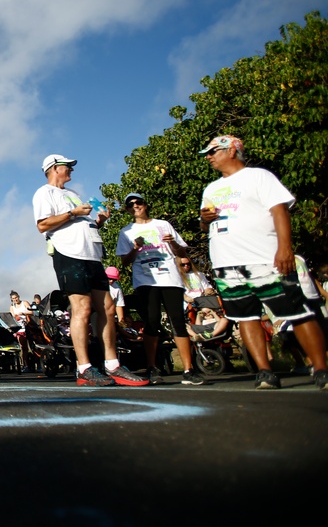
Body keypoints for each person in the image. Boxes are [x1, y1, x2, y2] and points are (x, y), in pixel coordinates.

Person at [198, 135, 327, 390]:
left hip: (264, 258)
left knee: (297, 312)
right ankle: (265, 372)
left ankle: (321, 369)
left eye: (213, 151)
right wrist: (205, 219)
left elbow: (279, 211)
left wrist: (285, 248)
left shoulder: (259, 176)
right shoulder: (210, 189)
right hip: (227, 263)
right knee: (246, 317)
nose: (209, 157)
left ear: (232, 150)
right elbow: (204, 227)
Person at [32, 154, 148, 387]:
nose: (71, 170)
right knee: (82, 309)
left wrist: (99, 221)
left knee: (107, 308)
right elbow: (42, 225)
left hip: (92, 255)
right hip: (69, 254)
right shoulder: (44, 193)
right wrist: (73, 213)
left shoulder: (72, 194)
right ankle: (84, 368)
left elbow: (83, 225)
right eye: (67, 166)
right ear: (55, 168)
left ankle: (112, 364)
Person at [116, 192, 204, 386]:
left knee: (178, 322)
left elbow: (182, 252)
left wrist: (172, 242)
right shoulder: (126, 232)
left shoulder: (163, 224)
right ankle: (152, 367)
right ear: (127, 210)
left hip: (170, 278)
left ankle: (189, 369)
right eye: (130, 205)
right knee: (152, 321)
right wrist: (136, 248)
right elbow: (124, 261)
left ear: (145, 205)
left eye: (138, 202)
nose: (135, 206)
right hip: (145, 280)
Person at [9, 290, 34, 372]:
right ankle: (25, 365)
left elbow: (32, 312)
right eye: (13, 298)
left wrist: (23, 313)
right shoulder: (12, 307)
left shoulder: (25, 303)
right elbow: (13, 317)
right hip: (19, 328)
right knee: (23, 347)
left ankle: (34, 363)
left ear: (18, 297)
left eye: (16, 297)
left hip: (28, 326)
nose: (15, 299)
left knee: (33, 346)